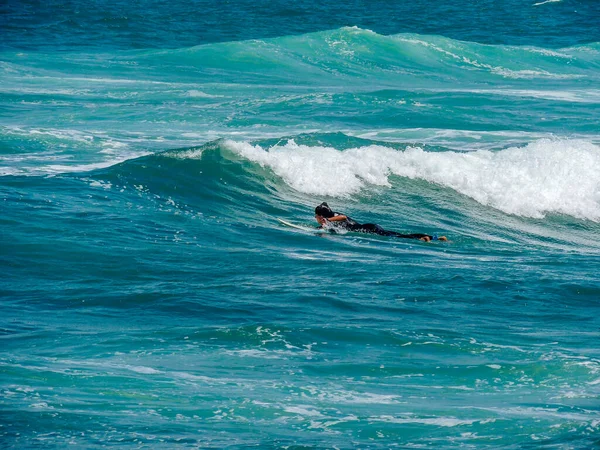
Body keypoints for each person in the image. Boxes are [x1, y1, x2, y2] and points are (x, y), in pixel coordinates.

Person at [314, 202, 447, 242]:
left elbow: (343, 217)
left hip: (369, 228)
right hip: (370, 227)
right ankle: (435, 238)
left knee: (396, 236)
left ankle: (425, 237)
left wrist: (327, 220)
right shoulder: (328, 222)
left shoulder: (334, 217)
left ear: (321, 216)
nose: (316, 218)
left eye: (316, 216)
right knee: (397, 234)